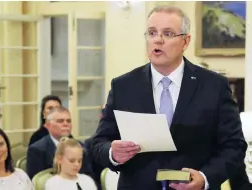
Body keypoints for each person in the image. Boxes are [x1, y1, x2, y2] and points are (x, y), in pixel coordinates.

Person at [92, 5, 247, 190]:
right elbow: (99, 143)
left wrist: (205, 178)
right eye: (152, 32)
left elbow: (234, 146)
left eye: (167, 34)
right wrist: (112, 153)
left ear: (185, 41)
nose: (157, 40)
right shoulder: (123, 86)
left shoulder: (214, 86)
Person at [26, 107, 92, 179]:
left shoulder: (80, 147)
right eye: (60, 121)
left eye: (68, 121)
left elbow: (89, 176)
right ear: (48, 125)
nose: (66, 124)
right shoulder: (37, 150)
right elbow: (36, 181)